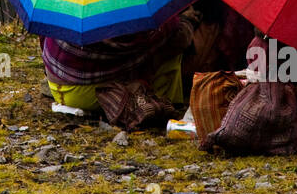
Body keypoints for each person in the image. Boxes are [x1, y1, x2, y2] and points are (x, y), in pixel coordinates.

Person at [41, 10, 197, 129]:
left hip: (57, 82)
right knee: (169, 51)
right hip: (86, 92)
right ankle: (168, 103)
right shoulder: (129, 13)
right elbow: (180, 37)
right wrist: (185, 19)